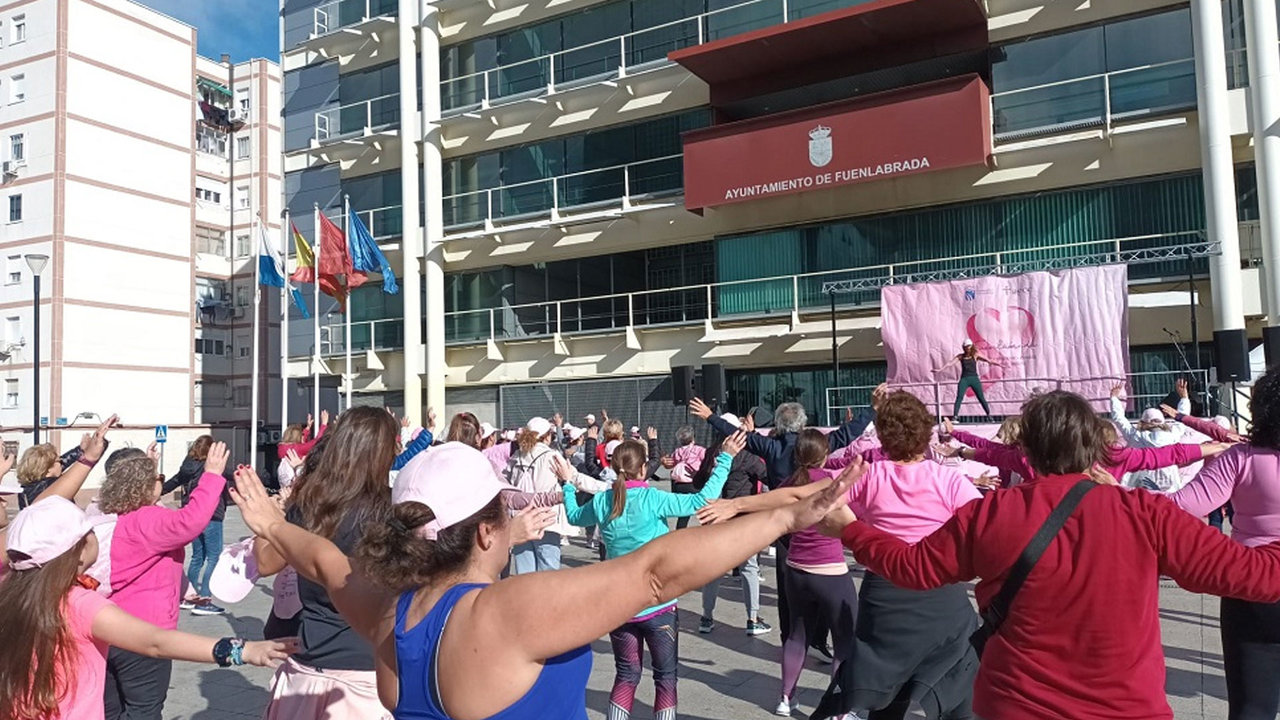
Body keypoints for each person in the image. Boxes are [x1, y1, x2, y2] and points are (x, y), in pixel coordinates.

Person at [225, 439, 853, 720]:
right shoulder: (508, 612)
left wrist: (274, 525)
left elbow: (327, 563)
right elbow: (658, 575)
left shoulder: (389, 611)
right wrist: (786, 516)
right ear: (483, 531)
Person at [835, 389, 1280, 720]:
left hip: (1016, 706)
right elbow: (1258, 576)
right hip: (1127, 709)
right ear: (1096, 446)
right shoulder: (1146, 514)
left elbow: (910, 569)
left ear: (1025, 450)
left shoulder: (991, 513)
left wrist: (851, 529)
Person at [0, 496, 294, 720]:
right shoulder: (79, 604)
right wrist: (243, 650)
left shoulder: (9, 597)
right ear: (77, 551)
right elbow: (155, 642)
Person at [560, 432, 744, 720]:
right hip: (658, 605)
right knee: (666, 678)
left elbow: (572, 516)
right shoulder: (652, 498)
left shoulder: (603, 502)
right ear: (644, 469)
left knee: (626, 675)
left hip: (619, 607)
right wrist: (726, 459)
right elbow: (701, 501)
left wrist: (567, 485)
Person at [692, 391, 880, 661]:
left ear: (779, 425)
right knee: (828, 586)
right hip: (818, 525)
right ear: (803, 425)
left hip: (783, 529)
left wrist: (711, 417)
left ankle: (790, 638)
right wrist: (871, 410)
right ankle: (818, 638)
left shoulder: (772, 447)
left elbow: (737, 434)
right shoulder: (819, 444)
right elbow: (849, 431)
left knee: (788, 590)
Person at [251, 407, 400, 720]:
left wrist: (269, 519)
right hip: (369, 669)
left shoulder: (310, 506)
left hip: (308, 665)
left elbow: (265, 562)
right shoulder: (394, 509)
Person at [1170, 366, 1280, 720]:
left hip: (1251, 585)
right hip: (1252, 586)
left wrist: (1118, 494)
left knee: (1252, 708)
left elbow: (1183, 507)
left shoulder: (1241, 457)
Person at [97, 439, 231, 720]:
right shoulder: (147, 520)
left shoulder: (106, 516)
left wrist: (186, 589)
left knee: (110, 709)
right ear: (144, 486)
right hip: (144, 634)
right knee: (143, 710)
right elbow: (189, 522)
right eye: (156, 477)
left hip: (107, 628)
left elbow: (153, 565)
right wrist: (211, 476)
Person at [696, 413, 770, 637]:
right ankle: (752, 618)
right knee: (749, 567)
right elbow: (767, 475)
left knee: (714, 571)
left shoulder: (711, 452)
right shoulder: (747, 454)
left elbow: (698, 482)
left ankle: (707, 617)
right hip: (741, 518)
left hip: (715, 519)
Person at [160, 435, 231, 616]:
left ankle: (188, 597)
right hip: (212, 515)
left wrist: (159, 490)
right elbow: (228, 479)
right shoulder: (212, 467)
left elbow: (175, 481)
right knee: (214, 557)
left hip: (193, 515)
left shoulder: (187, 466)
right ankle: (205, 599)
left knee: (197, 556)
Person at [505, 417, 569, 573]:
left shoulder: (516, 457)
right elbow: (574, 477)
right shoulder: (551, 456)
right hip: (546, 519)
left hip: (521, 518)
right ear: (547, 436)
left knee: (524, 573)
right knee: (549, 572)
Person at [1109, 381, 1191, 491]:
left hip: (1137, 491)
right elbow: (1183, 419)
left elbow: (1119, 418)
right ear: (1163, 422)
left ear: (1142, 423)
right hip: (1169, 491)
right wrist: (1184, 398)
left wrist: (1114, 398)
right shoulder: (1172, 437)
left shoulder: (1135, 437)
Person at [933, 339, 1001, 419]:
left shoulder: (975, 355)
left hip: (974, 379)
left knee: (981, 397)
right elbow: (950, 363)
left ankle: (989, 415)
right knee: (959, 397)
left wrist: (999, 364)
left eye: (969, 346)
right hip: (964, 379)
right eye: (966, 346)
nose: (967, 348)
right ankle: (955, 416)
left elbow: (988, 360)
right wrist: (940, 369)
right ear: (964, 347)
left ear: (971, 346)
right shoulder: (961, 356)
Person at [668, 425, 706, 530]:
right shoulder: (699, 450)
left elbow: (672, 463)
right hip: (693, 482)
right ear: (693, 438)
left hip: (679, 485)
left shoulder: (677, 451)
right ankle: (707, 528)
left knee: (684, 512)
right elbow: (708, 462)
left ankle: (680, 532)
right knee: (703, 507)